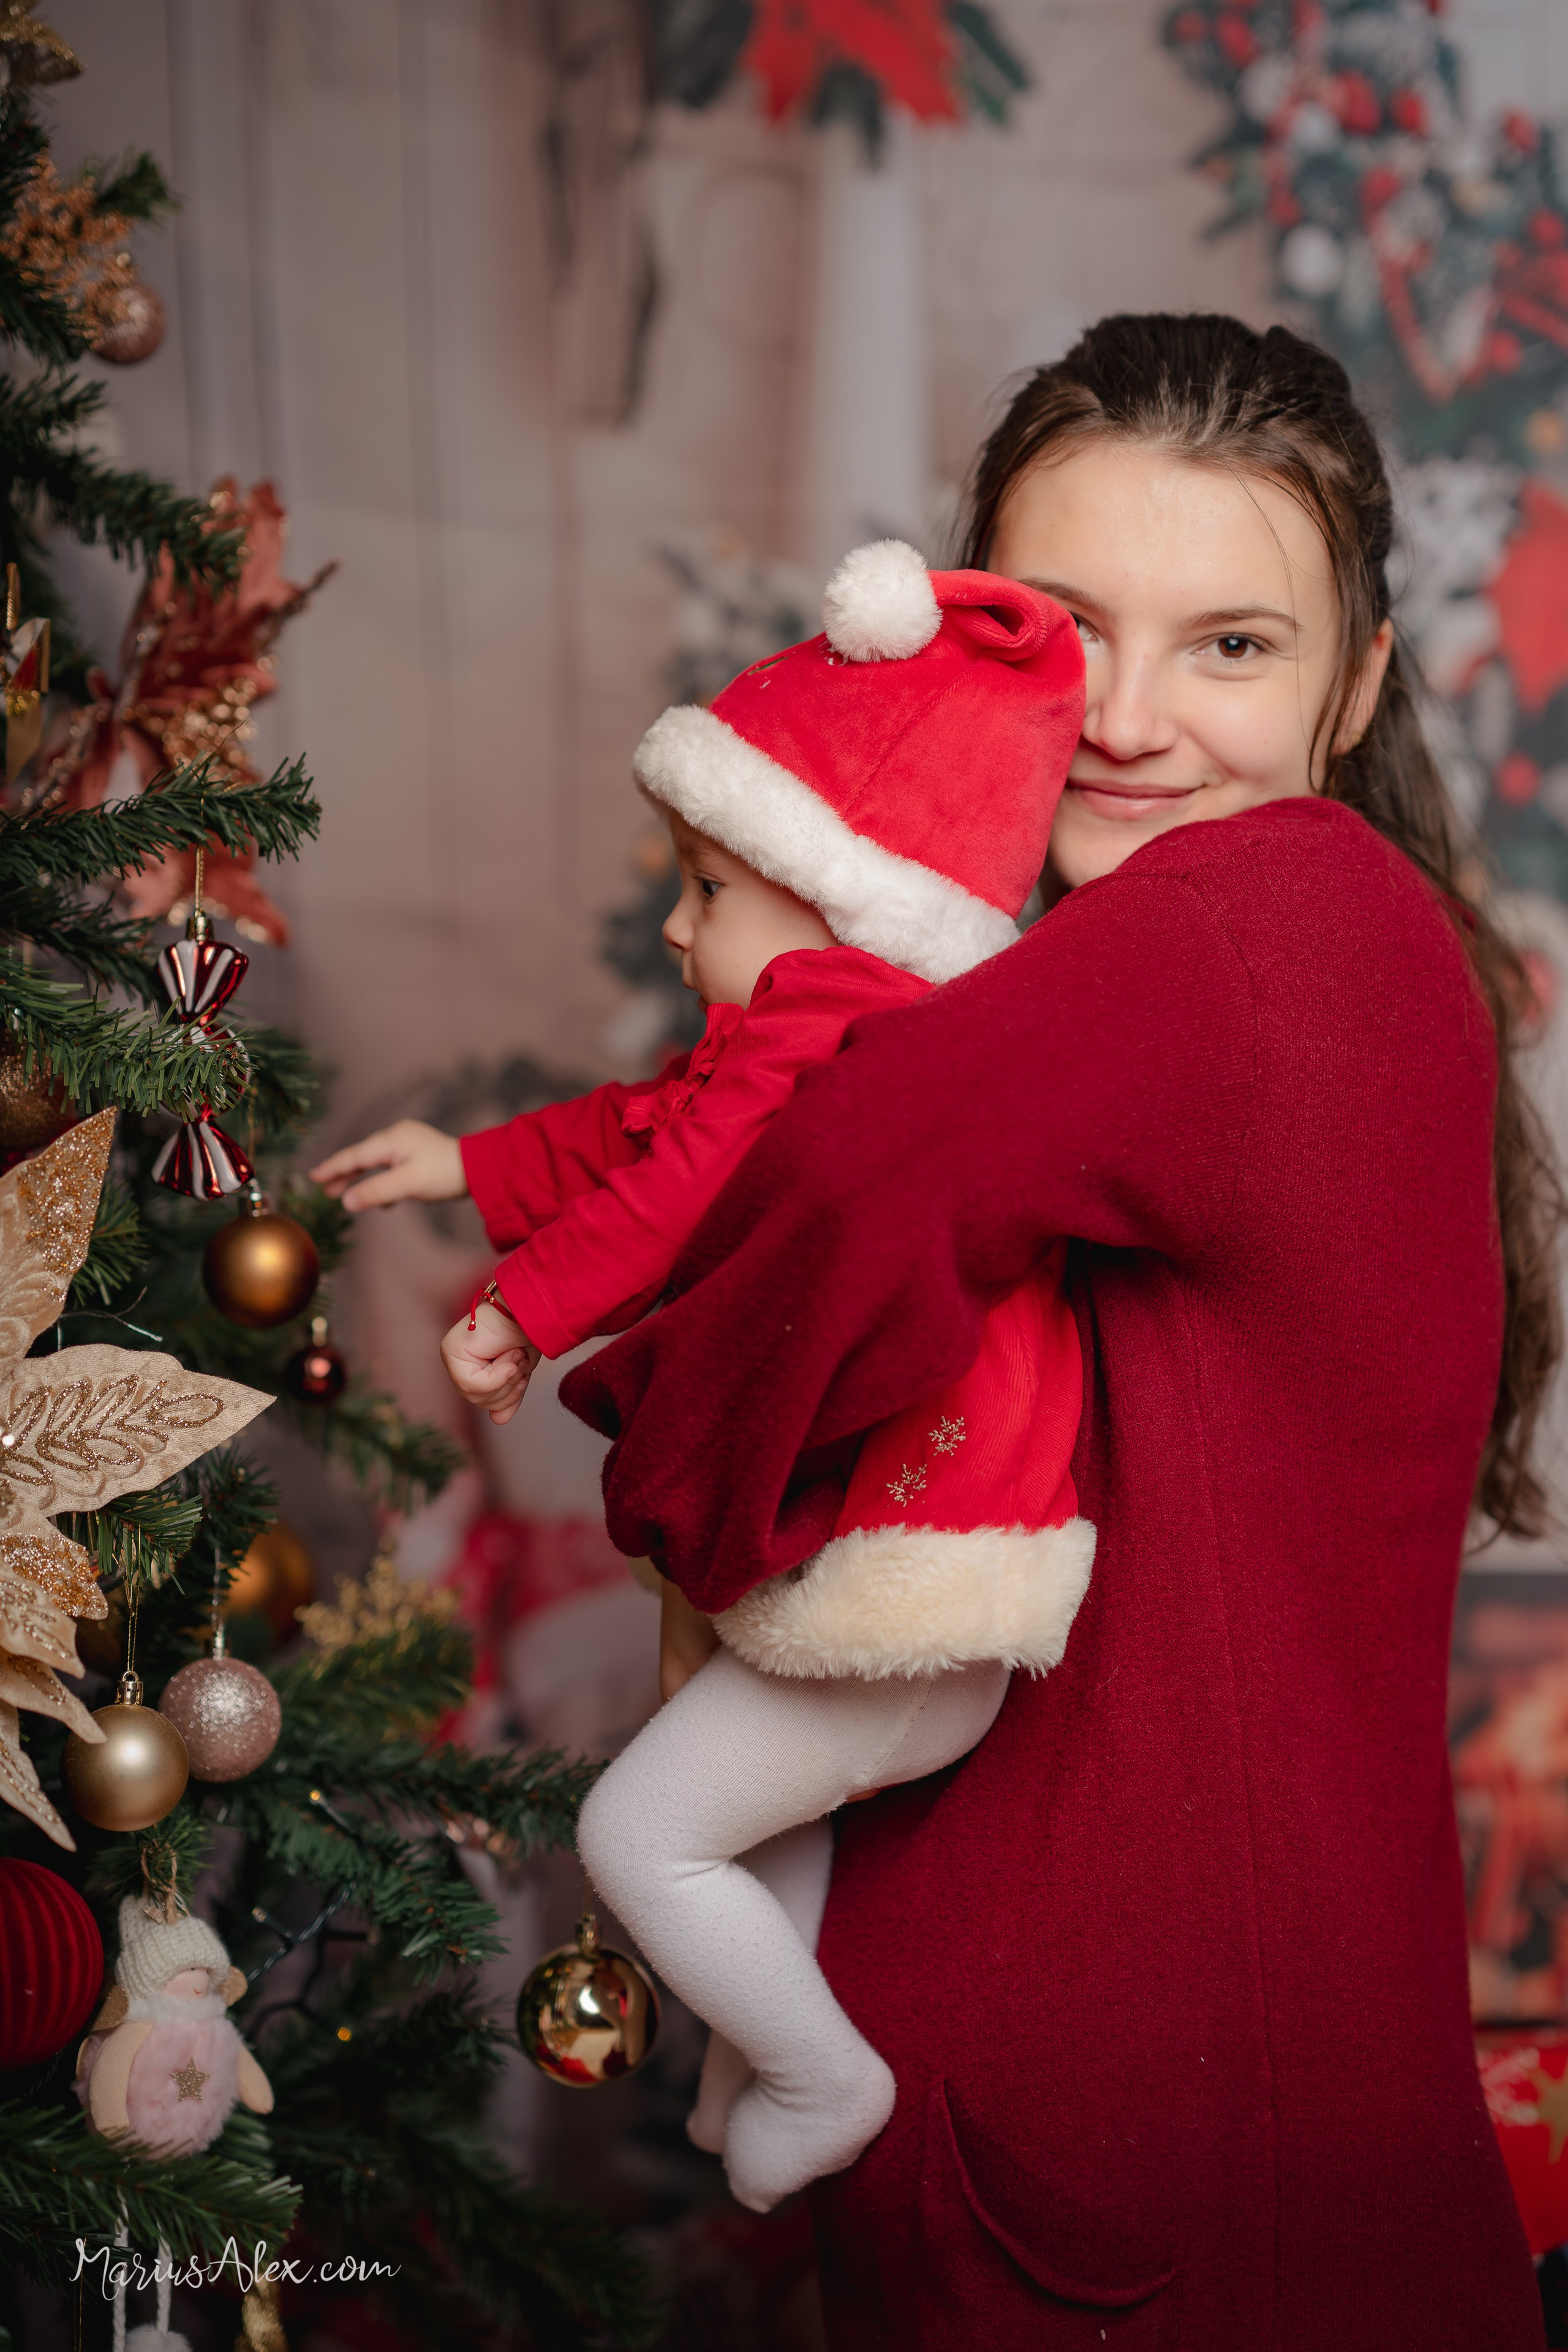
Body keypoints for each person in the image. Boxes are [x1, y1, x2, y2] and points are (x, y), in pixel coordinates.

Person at [560, 315, 1561, 2347]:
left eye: (1233, 645)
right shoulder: (1195, 957)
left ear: (1358, 684)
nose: (1126, 717)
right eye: (1065, 622)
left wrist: (687, 1510)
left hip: (1143, 2191)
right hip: (1128, 2142)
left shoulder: (1252, 919)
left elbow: (838, 1195)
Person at [311, 544, 1093, 2213]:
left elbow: (673, 1187)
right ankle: (763, 2069)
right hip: (917, 1590)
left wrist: (522, 1310)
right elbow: (647, 1129)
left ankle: (819, 2069)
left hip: (913, 1593)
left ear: (848, 890)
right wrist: (472, 1163)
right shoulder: (803, 1031)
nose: (675, 926)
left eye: (707, 890)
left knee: (638, 1837)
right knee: (738, 1816)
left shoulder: (837, 1036)